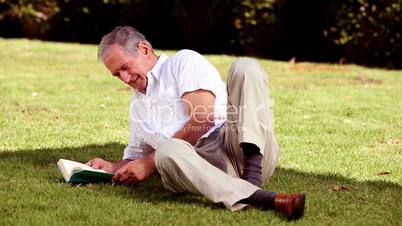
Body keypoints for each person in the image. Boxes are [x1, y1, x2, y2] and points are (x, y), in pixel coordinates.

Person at [86, 26, 305, 220]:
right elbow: (136, 159)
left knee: (245, 67)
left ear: (144, 49)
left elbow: (203, 119)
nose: (125, 79)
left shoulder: (182, 62)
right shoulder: (138, 106)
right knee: (167, 151)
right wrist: (110, 167)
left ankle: (252, 181)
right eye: (117, 75)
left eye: (125, 67)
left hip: (236, 148)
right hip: (192, 170)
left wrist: (149, 163)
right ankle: (263, 198)